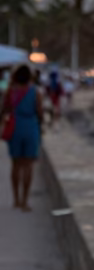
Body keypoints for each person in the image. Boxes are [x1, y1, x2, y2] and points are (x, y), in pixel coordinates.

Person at [1, 64, 44, 211]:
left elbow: (4, 110)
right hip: (30, 127)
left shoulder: (11, 92)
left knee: (15, 165)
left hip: (15, 128)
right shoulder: (35, 92)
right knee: (28, 165)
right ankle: (25, 201)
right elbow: (40, 112)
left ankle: (16, 199)